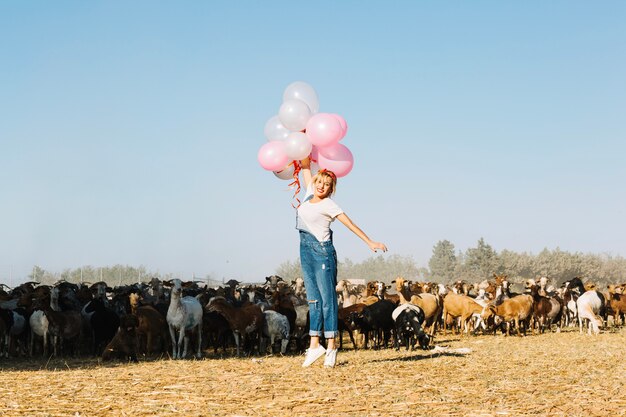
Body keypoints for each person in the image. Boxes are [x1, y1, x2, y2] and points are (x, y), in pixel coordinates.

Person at [297, 157, 387, 368]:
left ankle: (332, 346)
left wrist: (369, 241)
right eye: (320, 182)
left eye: (327, 185)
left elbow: (351, 224)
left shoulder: (329, 204)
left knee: (327, 301)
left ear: (331, 189)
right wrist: (303, 134)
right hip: (305, 251)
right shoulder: (309, 192)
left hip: (322, 253)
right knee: (313, 300)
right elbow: (305, 165)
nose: (321, 186)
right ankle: (314, 346)